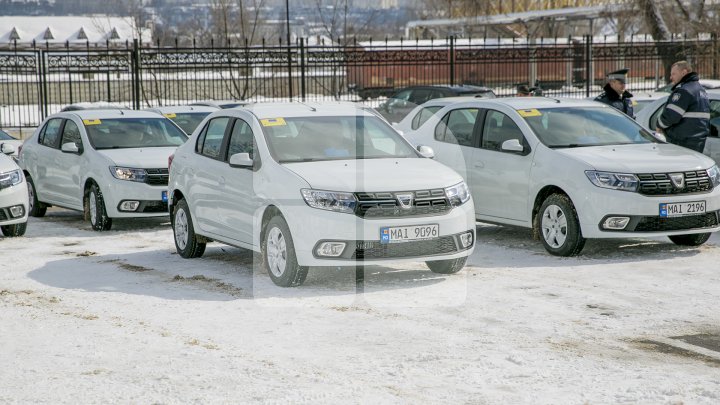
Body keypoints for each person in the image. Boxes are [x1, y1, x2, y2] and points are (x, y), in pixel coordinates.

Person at [656, 60, 710, 153]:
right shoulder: (701, 90)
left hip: (683, 142)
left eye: (673, 74)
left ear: (684, 72)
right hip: (697, 141)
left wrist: (659, 125)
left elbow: (671, 116)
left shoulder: (684, 91)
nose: (671, 77)